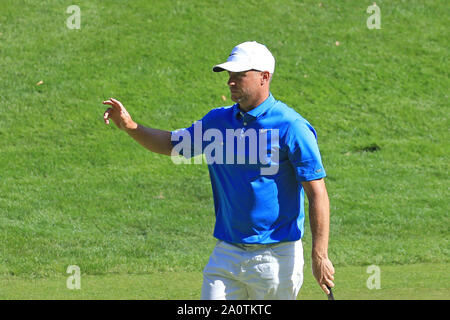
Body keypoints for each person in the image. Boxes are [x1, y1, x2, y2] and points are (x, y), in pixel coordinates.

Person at [102, 41, 335, 300]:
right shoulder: (218, 121)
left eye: (239, 75)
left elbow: (317, 194)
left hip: (276, 256)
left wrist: (320, 254)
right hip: (227, 252)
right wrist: (130, 126)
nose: (230, 82)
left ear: (264, 77)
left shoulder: (292, 127)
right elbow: (172, 144)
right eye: (229, 75)